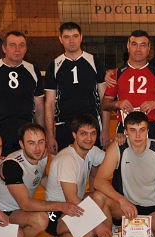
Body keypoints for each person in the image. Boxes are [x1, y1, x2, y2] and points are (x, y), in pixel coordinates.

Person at [0, 123, 83, 237]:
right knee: (41, 219)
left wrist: (62, 194)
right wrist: (61, 205)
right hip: (1, 213)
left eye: (41, 142)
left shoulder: (42, 156)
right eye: (31, 143)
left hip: (19, 211)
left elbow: (40, 178)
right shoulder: (12, 165)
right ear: (21, 144)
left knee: (57, 211)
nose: (38, 148)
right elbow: (26, 204)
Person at [94, 111, 155, 237]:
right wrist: (122, 200)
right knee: (98, 196)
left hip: (153, 208)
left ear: (148, 130)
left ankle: (149, 231)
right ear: (125, 132)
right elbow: (99, 181)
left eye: (142, 130)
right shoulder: (118, 148)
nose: (138, 135)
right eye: (133, 130)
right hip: (125, 208)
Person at [42, 114, 113, 237]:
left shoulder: (91, 151)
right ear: (74, 135)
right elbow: (72, 199)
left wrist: (120, 141)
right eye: (83, 133)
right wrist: (97, 224)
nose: (89, 138)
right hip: (55, 213)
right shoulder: (67, 159)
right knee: (87, 233)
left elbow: (114, 159)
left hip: (73, 207)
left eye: (93, 133)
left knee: (100, 196)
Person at [0, 31, 44, 156]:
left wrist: (43, 136)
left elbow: (39, 108)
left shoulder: (33, 70)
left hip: (27, 138)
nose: (17, 49)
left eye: (21, 45)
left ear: (26, 48)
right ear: (4, 48)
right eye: (12, 45)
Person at [44, 22, 110, 154]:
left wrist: (105, 130)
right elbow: (49, 103)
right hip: (64, 126)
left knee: (94, 165)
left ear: (81, 37)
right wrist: (50, 135)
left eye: (75, 36)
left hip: (91, 125)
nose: (71, 40)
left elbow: (105, 98)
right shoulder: (54, 65)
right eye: (67, 37)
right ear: (60, 39)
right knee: (66, 164)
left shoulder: (94, 61)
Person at [102, 30, 155, 143]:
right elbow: (105, 104)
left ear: (148, 48)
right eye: (134, 44)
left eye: (143, 45)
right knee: (123, 155)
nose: (138, 49)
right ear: (128, 46)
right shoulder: (116, 74)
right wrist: (118, 103)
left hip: (151, 128)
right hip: (124, 128)